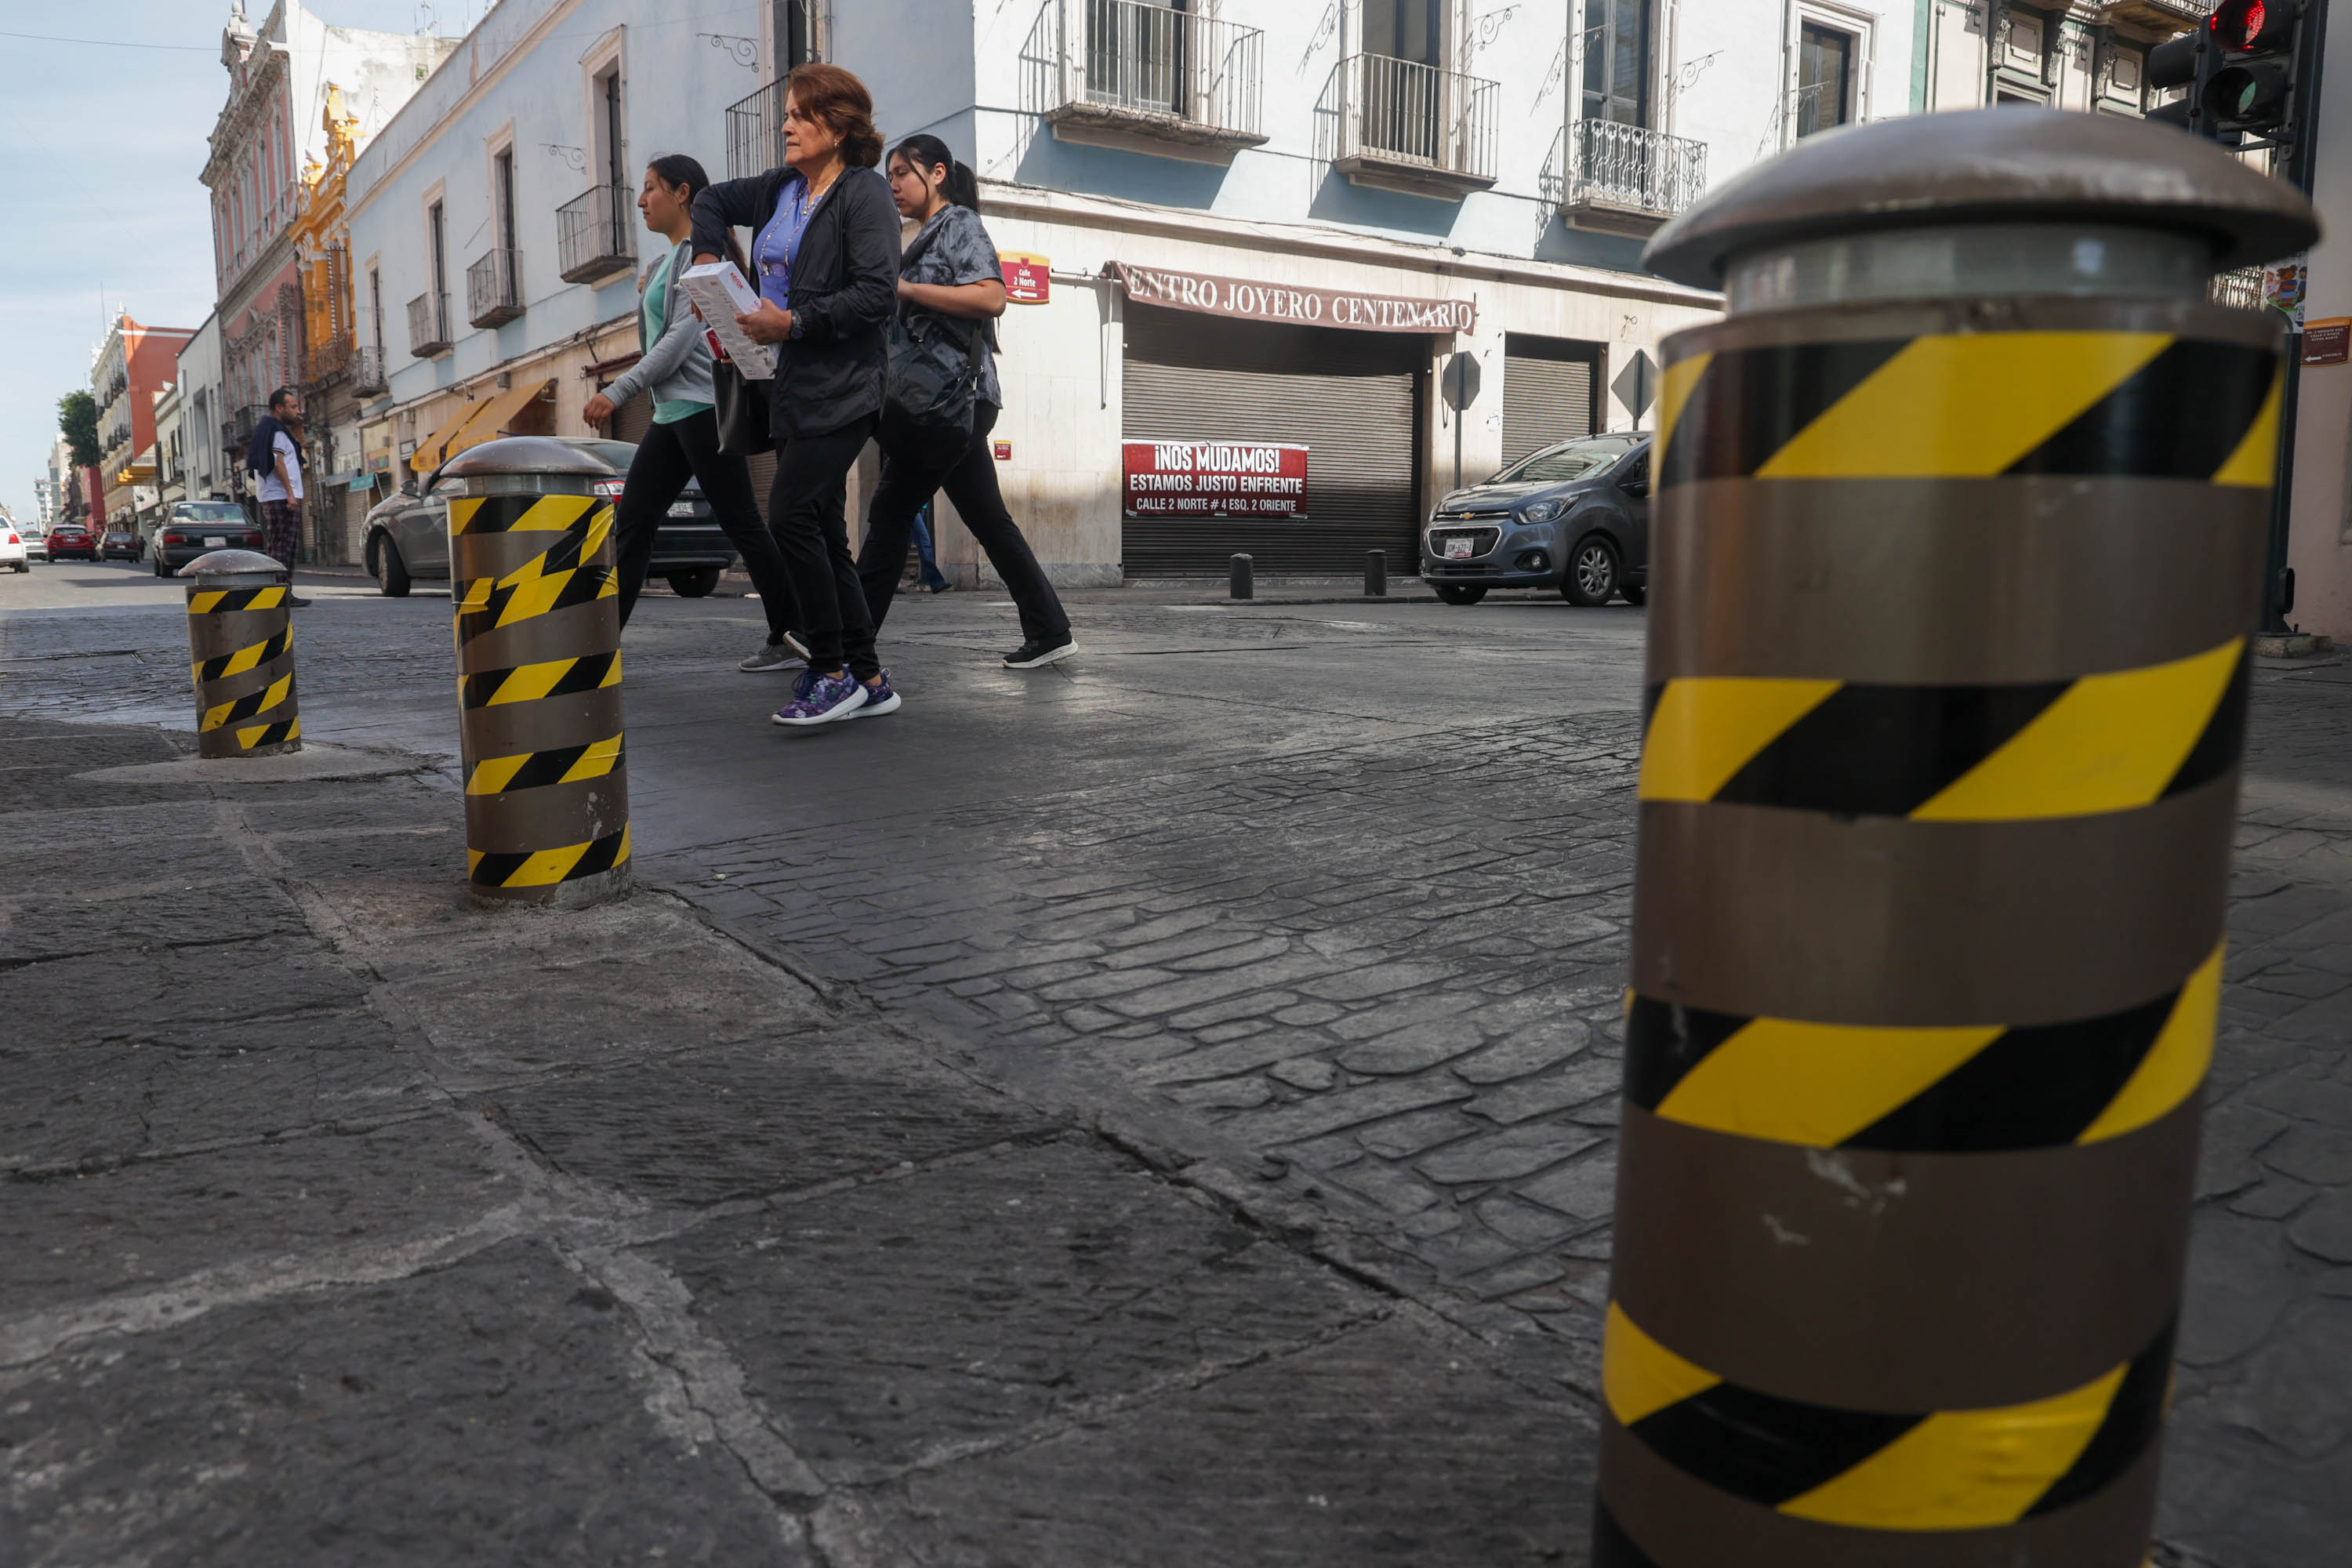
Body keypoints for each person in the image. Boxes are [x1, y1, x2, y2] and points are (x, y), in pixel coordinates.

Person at [691, 63, 901, 728]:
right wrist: (706, 256)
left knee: (788, 516)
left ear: (837, 126)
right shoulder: (784, 187)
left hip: (845, 385)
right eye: (785, 112)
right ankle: (868, 674)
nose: (784, 124)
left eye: (798, 113)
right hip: (785, 384)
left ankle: (829, 670)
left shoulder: (864, 193)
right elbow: (710, 201)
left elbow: (877, 294)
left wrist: (796, 322)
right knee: (822, 531)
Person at [855, 135, 1075, 669]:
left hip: (954, 399)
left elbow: (991, 296)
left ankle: (845, 646)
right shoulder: (922, 238)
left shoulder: (959, 226)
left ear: (936, 174)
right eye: (890, 176)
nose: (894, 185)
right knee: (988, 519)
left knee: (889, 510)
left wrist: (906, 291)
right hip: (948, 404)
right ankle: (1050, 630)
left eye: (902, 173)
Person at [583, 154, 808, 673]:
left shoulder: (701, 262)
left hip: (703, 410)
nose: (641, 201)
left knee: (744, 525)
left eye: (650, 189)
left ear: (684, 193)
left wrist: (617, 393)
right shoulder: (665, 265)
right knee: (634, 525)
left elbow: (679, 343)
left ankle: (794, 633)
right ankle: (600, 646)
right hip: (670, 416)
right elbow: (657, 337)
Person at [254, 387, 312, 607]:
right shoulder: (276, 432)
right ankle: (279, 593)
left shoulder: (272, 430)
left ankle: (282, 592)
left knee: (283, 546)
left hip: (277, 495)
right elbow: (278, 462)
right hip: (280, 496)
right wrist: (290, 494)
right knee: (283, 547)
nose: (298, 410)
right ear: (279, 408)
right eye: (293, 406)